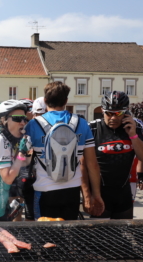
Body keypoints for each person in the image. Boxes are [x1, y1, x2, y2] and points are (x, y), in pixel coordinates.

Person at [24, 82, 103, 220]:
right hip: (72, 189)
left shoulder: (34, 124)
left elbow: (23, 157)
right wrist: (95, 194)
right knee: (69, 235)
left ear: (45, 100)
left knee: (45, 236)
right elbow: (92, 164)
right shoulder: (81, 122)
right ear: (66, 101)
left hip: (44, 189)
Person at [87, 91, 143, 219]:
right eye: (109, 113)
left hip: (123, 193)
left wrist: (133, 135)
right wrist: (87, 195)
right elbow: (83, 165)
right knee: (98, 237)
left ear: (126, 112)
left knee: (121, 237)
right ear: (102, 110)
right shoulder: (92, 128)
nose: (113, 118)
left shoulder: (134, 126)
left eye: (119, 113)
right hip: (99, 193)